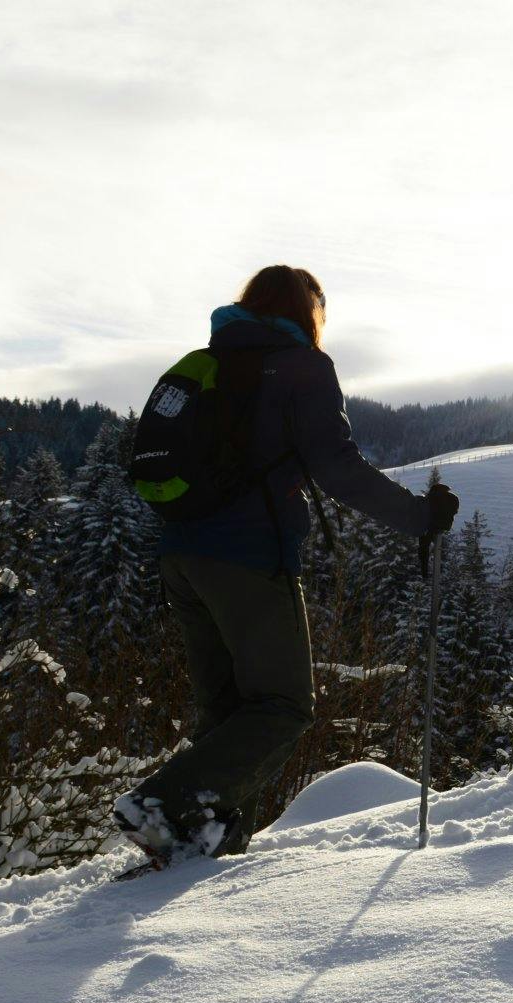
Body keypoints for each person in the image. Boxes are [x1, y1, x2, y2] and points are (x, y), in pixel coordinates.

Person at [113, 265, 459, 863]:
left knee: (226, 715)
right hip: (248, 558)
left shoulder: (208, 362)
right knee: (284, 706)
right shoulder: (302, 366)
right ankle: (161, 805)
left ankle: (207, 843)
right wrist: (420, 518)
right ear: (307, 312)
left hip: (181, 556)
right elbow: (339, 468)